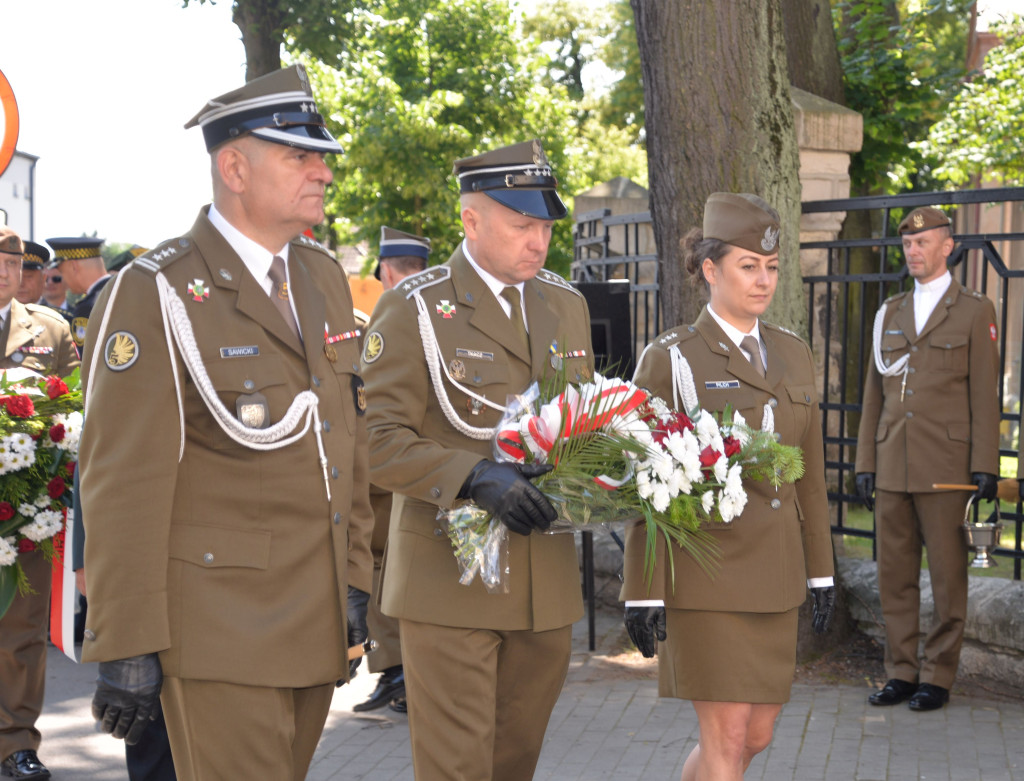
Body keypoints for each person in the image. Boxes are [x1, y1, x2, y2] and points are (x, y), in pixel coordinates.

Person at [77, 64, 373, 781]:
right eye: (298, 156)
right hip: (216, 629)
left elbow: (345, 441)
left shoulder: (322, 278)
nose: (322, 173)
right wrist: (126, 640)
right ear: (234, 166)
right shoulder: (157, 290)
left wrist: (356, 575)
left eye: (322, 158)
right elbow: (124, 481)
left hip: (313, 615)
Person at [361, 139, 594, 781]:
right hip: (448, 580)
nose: (538, 241)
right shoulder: (414, 306)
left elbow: (582, 421)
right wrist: (472, 474)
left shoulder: (564, 304)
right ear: (471, 220)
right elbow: (376, 441)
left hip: (542, 579)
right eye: (522, 225)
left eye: (545, 225)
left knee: (513, 765)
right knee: (456, 770)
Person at [620, 193, 835, 781]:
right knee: (727, 735)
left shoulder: (794, 354)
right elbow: (646, 485)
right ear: (710, 270)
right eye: (748, 266)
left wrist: (822, 569)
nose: (762, 280)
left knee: (756, 736)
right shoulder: (672, 358)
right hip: (705, 576)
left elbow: (809, 475)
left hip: (776, 574)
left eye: (770, 267)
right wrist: (642, 589)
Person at [856, 206, 999, 712]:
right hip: (893, 461)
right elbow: (873, 392)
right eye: (908, 245)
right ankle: (900, 673)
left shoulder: (974, 310)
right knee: (893, 575)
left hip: (946, 467)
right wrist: (864, 462)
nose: (913, 252)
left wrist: (986, 462)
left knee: (946, 576)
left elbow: (984, 392)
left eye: (923, 243)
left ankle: (937, 677)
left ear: (947, 246)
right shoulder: (890, 312)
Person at [0, 226, 80, 781]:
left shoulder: (49, 330)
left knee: (22, 632)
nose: (4, 273)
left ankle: (15, 741)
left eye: (11, 265)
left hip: (26, 510)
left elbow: (76, 410)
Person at [353, 227, 430, 715]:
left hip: (384, 464)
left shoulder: (392, 307)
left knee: (380, 568)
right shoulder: (437, 306)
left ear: (385, 269)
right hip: (422, 461)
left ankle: (397, 671)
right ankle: (398, 671)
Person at [44, 237, 110, 349]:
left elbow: (84, 359)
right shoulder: (123, 289)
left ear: (74, 267)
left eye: (61, 272)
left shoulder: (88, 307)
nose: (63, 278)